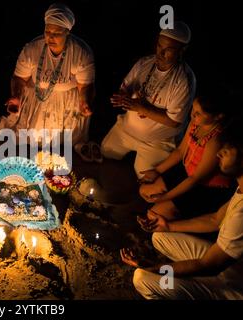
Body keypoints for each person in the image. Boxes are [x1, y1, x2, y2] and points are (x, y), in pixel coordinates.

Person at [121, 117, 243, 299]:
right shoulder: (240, 188)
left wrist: (150, 267)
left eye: (228, 148)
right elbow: (215, 219)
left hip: (232, 283)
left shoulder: (241, 215)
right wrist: (168, 226)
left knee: (143, 278)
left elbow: (207, 266)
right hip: (222, 262)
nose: (220, 152)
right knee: (160, 235)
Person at [101, 21, 196, 178]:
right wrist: (123, 97)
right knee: (106, 151)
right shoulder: (144, 63)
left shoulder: (184, 80)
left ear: (182, 51)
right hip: (128, 129)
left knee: (145, 177)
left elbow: (174, 121)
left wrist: (142, 108)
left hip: (158, 141)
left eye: (168, 50)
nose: (161, 53)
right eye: (159, 46)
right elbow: (125, 88)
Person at [0, 3, 95, 146]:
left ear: (67, 32)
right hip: (37, 97)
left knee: (63, 144)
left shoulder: (81, 53)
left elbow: (85, 85)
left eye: (56, 33)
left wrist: (84, 102)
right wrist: (17, 96)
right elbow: (19, 78)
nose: (50, 37)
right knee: (29, 141)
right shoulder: (32, 48)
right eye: (47, 32)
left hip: (66, 101)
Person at [138, 88, 235, 220]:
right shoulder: (196, 123)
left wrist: (165, 197)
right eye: (193, 109)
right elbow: (180, 151)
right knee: (144, 191)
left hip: (205, 187)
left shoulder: (215, 141)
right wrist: (156, 171)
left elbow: (195, 179)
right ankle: (169, 206)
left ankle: (182, 218)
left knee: (154, 216)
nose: (192, 115)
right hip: (187, 171)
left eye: (198, 113)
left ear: (218, 116)